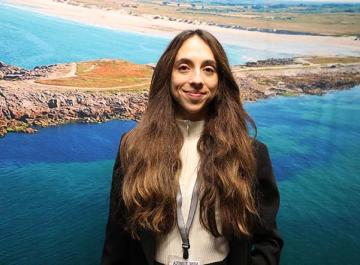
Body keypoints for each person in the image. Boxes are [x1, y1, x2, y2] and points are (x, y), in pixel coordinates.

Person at [101, 29, 283, 265]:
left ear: (220, 81)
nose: (196, 79)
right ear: (168, 75)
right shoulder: (132, 148)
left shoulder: (251, 154)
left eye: (208, 69)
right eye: (184, 67)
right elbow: (116, 241)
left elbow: (268, 240)